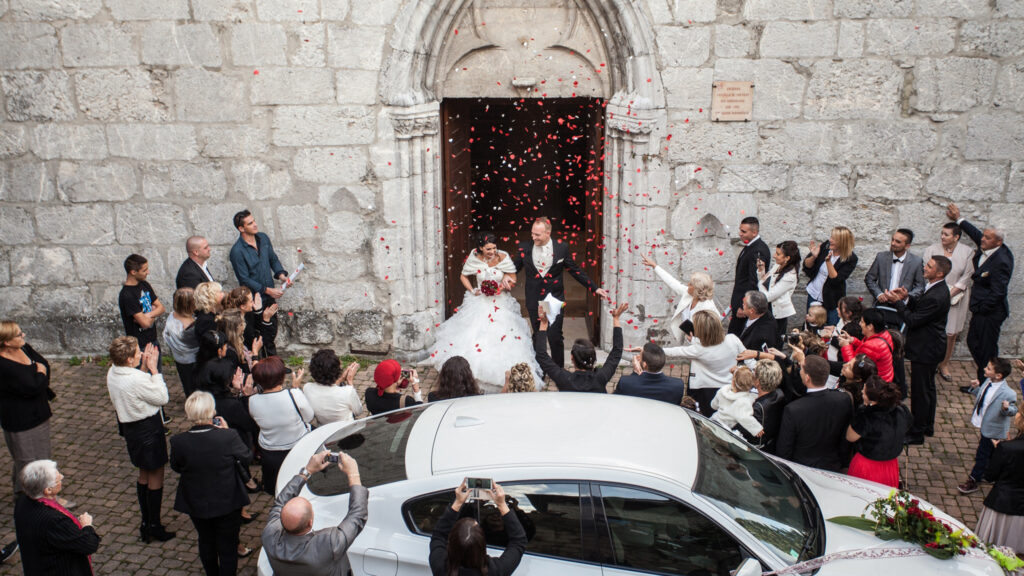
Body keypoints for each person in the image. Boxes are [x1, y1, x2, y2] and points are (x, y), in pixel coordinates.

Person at [429, 231, 542, 389]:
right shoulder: (474, 258)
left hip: (500, 302)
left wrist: (503, 285)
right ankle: (472, 374)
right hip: (480, 300)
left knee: (503, 335)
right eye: (488, 249)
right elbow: (463, 276)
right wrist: (472, 290)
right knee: (475, 335)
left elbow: (513, 276)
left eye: (494, 248)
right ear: (480, 248)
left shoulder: (502, 257)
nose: (492, 252)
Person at [169, 391, 252, 576]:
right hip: (227, 499)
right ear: (212, 411)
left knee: (206, 540)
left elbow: (176, 466)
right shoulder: (227, 436)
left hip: (196, 499)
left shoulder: (178, 441)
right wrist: (227, 431)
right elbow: (246, 456)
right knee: (227, 545)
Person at [510, 217, 610, 367]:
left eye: (537, 234)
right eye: (532, 234)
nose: (533, 237)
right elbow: (514, 268)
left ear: (548, 233)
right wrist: (504, 277)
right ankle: (541, 369)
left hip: (553, 299)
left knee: (555, 336)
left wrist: (594, 288)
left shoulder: (561, 248)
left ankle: (558, 370)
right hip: (534, 298)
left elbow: (575, 270)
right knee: (539, 335)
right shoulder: (524, 247)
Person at [105, 336, 175, 542]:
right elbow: (162, 398)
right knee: (156, 473)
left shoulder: (113, 372)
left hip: (131, 429)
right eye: (137, 352)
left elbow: (135, 388)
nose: (142, 354)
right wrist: (154, 371)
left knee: (143, 473)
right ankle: (154, 524)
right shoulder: (136, 379)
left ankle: (146, 521)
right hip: (147, 428)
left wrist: (143, 368)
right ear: (128, 360)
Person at [262, 451, 367, 576]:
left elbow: (279, 504)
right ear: (310, 523)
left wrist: (307, 471)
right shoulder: (328, 544)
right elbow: (357, 516)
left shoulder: (269, 535)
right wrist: (353, 474)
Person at [946, 203, 1015, 381]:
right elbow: (976, 234)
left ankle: (986, 382)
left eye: (987, 238)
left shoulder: (1002, 261)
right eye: (983, 236)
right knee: (973, 343)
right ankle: (983, 378)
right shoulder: (989, 245)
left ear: (998, 242)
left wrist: (981, 308)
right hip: (980, 310)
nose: (982, 239)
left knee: (986, 349)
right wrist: (959, 219)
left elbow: (998, 292)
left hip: (991, 313)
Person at [890, 256, 952, 445]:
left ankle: (917, 432)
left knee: (920, 391)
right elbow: (920, 307)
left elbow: (913, 320)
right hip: (928, 346)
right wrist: (907, 298)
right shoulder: (934, 288)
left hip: (926, 348)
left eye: (930, 266)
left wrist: (898, 303)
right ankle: (927, 425)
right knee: (928, 388)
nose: (925, 268)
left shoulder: (937, 295)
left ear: (939, 273)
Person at [14, 460, 100, 576]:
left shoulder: (22, 501)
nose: (62, 476)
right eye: (58, 478)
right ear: (48, 490)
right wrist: (87, 525)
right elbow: (88, 544)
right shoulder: (54, 521)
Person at [0, 322, 56, 495]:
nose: (23, 335)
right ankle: (30, 498)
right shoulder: (3, 366)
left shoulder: (24, 348)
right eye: (18, 334)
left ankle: (36, 494)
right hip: (20, 421)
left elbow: (44, 364)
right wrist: (39, 374)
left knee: (43, 456)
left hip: (38, 413)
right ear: (7, 342)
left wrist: (40, 376)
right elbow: (31, 387)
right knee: (27, 461)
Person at [663, 310, 751, 417]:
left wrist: (646, 349)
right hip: (729, 388)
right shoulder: (733, 339)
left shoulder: (698, 350)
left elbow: (673, 352)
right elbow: (749, 358)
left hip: (705, 391)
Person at [429, 480, 527, 576]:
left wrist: (458, 502)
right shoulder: (495, 571)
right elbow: (519, 541)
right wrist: (502, 504)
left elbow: (438, 535)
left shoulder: (440, 567)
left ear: (450, 544)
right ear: (483, 546)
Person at [247, 356, 313, 496]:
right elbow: (308, 417)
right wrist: (296, 389)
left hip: (270, 450)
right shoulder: (294, 394)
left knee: (278, 486)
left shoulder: (252, 400)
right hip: (296, 445)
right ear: (281, 378)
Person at [229, 209, 291, 357]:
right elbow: (244, 279)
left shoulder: (263, 238)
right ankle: (263, 364)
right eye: (250, 223)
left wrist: (281, 275)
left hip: (269, 296)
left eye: (254, 220)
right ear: (241, 228)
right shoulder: (237, 251)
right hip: (254, 300)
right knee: (258, 333)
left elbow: (273, 259)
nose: (255, 225)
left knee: (271, 329)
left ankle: (273, 362)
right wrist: (267, 290)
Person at [776, 355, 854, 471]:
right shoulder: (844, 399)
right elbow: (844, 440)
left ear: (807, 377)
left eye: (801, 369)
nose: (800, 371)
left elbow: (784, 451)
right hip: (832, 466)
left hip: (802, 470)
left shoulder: (793, 410)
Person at [534, 302, 627, 393]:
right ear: (594, 358)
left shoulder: (564, 379)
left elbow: (541, 355)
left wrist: (543, 324)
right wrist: (616, 319)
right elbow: (616, 352)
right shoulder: (601, 377)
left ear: (572, 358)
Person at [958, 358, 1018, 494]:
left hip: (993, 429)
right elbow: (982, 397)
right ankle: (992, 472)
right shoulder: (987, 382)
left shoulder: (1008, 393)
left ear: (998, 376)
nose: (985, 369)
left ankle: (974, 479)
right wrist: (975, 388)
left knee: (982, 454)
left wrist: (1006, 408)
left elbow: (1013, 411)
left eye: (989, 368)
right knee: (991, 452)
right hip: (984, 423)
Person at [923, 222, 974, 381]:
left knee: (950, 333)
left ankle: (944, 363)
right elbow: (925, 271)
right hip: (933, 296)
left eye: (946, 234)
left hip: (956, 298)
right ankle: (929, 361)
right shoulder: (932, 250)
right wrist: (937, 295)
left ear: (956, 237)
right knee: (931, 330)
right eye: (942, 233)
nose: (942, 237)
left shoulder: (967, 252)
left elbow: (967, 276)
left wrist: (948, 294)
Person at [846, 376, 911, 487]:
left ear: (871, 399)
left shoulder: (866, 415)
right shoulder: (901, 410)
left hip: (866, 466)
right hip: (890, 466)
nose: (862, 391)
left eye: (864, 390)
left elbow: (850, 437)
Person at [976, 411, 1024, 553]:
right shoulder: (1009, 447)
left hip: (1002, 507)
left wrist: (999, 451)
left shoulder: (1006, 448)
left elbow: (990, 475)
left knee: (991, 551)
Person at [641, 254, 718, 342]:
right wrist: (655, 266)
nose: (688, 285)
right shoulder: (688, 294)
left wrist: (695, 341)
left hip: (705, 347)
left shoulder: (708, 306)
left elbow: (713, 334)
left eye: (691, 284)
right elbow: (673, 283)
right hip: (692, 343)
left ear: (698, 289)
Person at [803, 226, 858, 326]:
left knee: (830, 328)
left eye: (834, 239)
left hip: (832, 300)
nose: (830, 240)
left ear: (842, 242)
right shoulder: (825, 246)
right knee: (811, 326)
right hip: (814, 294)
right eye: (831, 237)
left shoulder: (851, 258)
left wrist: (828, 262)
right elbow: (806, 266)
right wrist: (813, 257)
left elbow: (836, 280)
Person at [118, 254, 166, 365]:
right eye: (144, 270)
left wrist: (147, 315)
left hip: (153, 340)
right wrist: (153, 313)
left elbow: (161, 308)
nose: (148, 272)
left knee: (156, 375)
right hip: (140, 345)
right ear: (133, 272)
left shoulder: (144, 285)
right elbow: (144, 324)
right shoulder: (127, 295)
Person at [728, 216, 772, 335]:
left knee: (736, 336)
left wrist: (745, 306)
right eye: (740, 230)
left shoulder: (758, 250)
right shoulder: (751, 246)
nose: (740, 234)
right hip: (741, 303)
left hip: (745, 306)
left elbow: (753, 281)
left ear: (754, 232)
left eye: (744, 231)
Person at [864, 228, 925, 306]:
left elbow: (920, 287)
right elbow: (869, 278)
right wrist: (879, 294)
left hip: (903, 306)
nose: (893, 243)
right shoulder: (881, 257)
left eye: (898, 242)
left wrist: (906, 297)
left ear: (907, 246)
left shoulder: (916, 262)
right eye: (893, 240)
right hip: (882, 304)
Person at [614, 342, 686, 406]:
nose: (638, 357)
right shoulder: (677, 386)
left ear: (644, 364)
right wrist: (647, 353)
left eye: (640, 356)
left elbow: (615, 401)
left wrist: (636, 371)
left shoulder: (625, 383)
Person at [303, 349, 362, 425]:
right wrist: (349, 381)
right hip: (345, 431)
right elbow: (358, 411)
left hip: (324, 428)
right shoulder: (347, 392)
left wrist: (341, 379)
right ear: (337, 371)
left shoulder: (307, 388)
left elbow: (327, 388)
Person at [838, 308, 895, 383]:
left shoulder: (873, 345)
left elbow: (853, 368)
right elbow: (866, 349)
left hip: (875, 384)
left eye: (862, 322)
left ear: (870, 326)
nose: (859, 324)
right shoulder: (884, 334)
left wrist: (845, 347)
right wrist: (853, 341)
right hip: (885, 378)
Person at [162, 287, 200, 398]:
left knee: (187, 385)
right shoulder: (189, 328)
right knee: (194, 388)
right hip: (192, 362)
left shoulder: (173, 315)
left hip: (180, 360)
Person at [757, 240, 800, 338]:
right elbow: (765, 281)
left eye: (778, 254)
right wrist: (761, 271)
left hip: (776, 316)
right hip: (767, 310)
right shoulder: (777, 266)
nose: (774, 256)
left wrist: (760, 284)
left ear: (787, 258)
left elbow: (768, 296)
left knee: (772, 344)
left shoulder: (790, 275)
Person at [745, 359, 786, 452]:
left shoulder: (757, 408)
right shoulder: (779, 393)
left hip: (756, 449)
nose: (752, 375)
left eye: (754, 373)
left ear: (758, 382)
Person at [711, 367, 762, 438]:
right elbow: (744, 417)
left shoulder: (722, 391)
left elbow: (714, 406)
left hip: (715, 421)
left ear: (733, 381)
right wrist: (757, 429)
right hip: (726, 428)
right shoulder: (746, 400)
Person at [735, 291, 778, 356]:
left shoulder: (762, 335)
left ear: (752, 311)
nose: (742, 305)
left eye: (744, 304)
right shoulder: (759, 313)